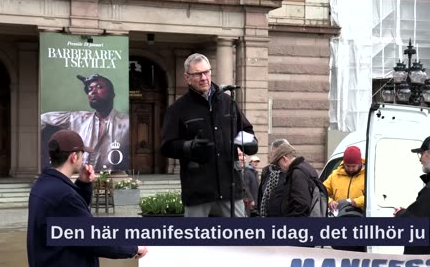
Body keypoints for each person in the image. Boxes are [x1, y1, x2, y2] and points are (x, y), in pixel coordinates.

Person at [27, 130, 147, 267]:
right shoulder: (64, 195)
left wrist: (83, 184)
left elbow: (71, 219)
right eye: (81, 155)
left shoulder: (42, 185)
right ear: (73, 157)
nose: (82, 159)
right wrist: (133, 248)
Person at [160, 53, 257, 217]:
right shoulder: (178, 108)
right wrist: (188, 146)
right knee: (196, 240)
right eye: (198, 74)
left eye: (206, 72)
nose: (203, 77)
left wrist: (249, 142)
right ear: (187, 77)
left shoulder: (228, 103)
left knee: (238, 240)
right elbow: (166, 146)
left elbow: (245, 131)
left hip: (230, 188)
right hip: (198, 190)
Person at [41, 73, 129, 172]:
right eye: (90, 89)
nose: (93, 92)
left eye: (99, 87)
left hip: (114, 178)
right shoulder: (76, 118)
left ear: (113, 94)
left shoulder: (127, 122)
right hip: (79, 179)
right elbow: (41, 119)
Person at [269, 139, 326, 216]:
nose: (279, 168)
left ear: (284, 159)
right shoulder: (305, 167)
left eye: (279, 164)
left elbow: (301, 205)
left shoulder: (297, 173)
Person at [323, 146, 365, 214]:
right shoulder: (335, 175)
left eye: (354, 166)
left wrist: (357, 202)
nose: (350, 169)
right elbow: (321, 192)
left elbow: (376, 197)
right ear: (344, 163)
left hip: (361, 216)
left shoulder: (368, 175)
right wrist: (330, 201)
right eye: (348, 166)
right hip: (339, 216)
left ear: (360, 163)